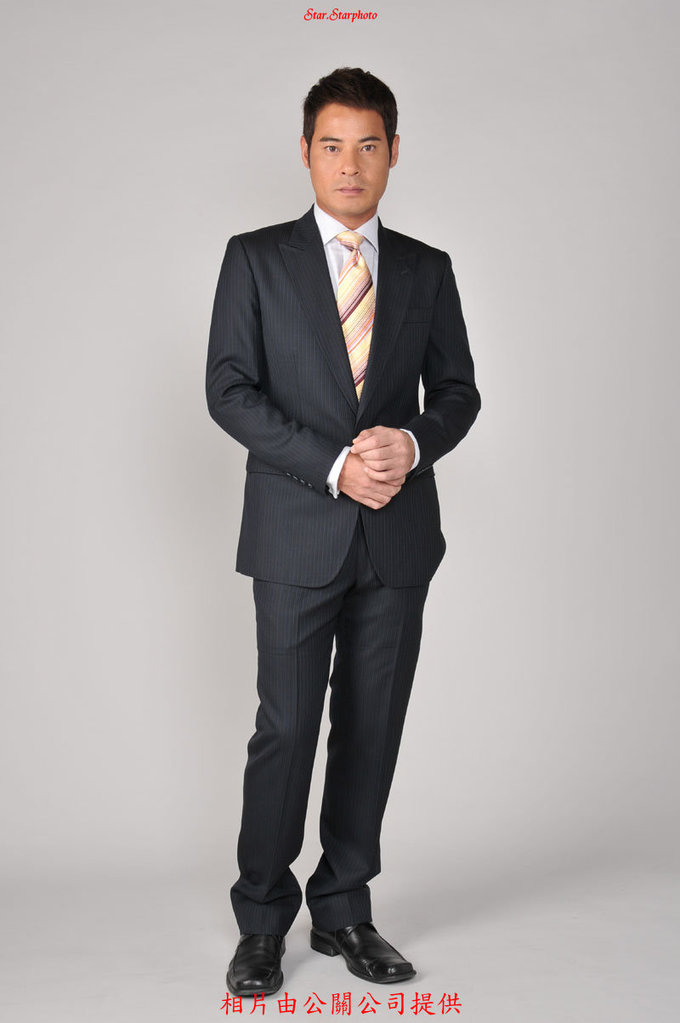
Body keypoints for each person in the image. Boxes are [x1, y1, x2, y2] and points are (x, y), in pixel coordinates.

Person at [206, 67, 481, 997]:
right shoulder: (256, 259)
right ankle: (260, 920)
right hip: (295, 532)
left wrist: (413, 441)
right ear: (305, 152)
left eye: (369, 145)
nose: (350, 164)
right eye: (332, 145)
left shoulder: (428, 268)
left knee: (372, 726)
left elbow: (457, 391)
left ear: (394, 152)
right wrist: (333, 464)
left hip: (396, 538)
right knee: (285, 728)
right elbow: (228, 388)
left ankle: (344, 908)